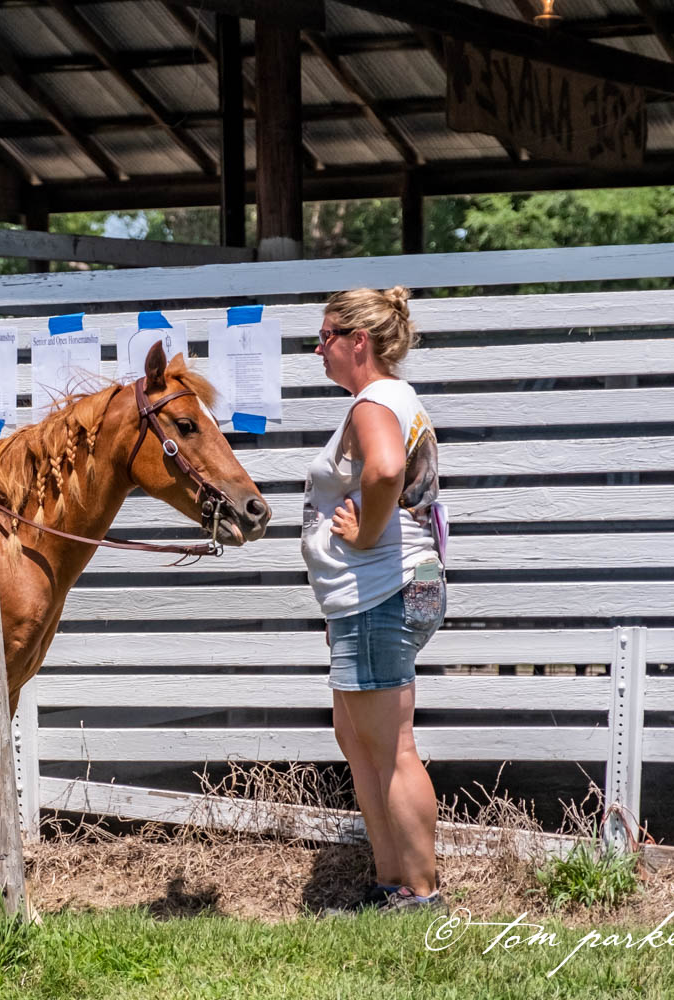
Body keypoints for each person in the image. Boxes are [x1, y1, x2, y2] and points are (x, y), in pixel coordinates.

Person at [300, 286, 447, 912]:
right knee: (358, 741)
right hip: (374, 594)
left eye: (326, 336)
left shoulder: (374, 402)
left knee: (391, 748)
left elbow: (385, 470)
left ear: (358, 340)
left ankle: (420, 893)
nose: (318, 349)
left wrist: (362, 536)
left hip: (381, 589)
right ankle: (392, 886)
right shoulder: (393, 398)